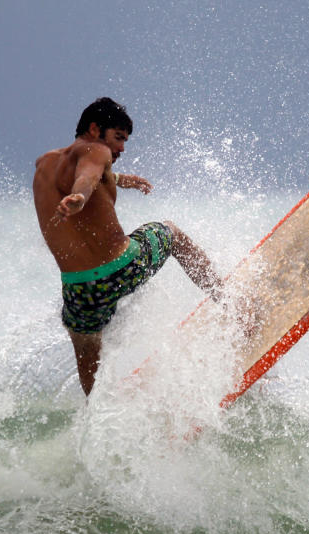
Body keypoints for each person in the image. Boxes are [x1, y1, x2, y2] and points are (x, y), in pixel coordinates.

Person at [33, 97, 223, 395]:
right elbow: (87, 176)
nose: (121, 148)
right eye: (118, 138)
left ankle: (96, 416)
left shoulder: (44, 164)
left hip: (81, 291)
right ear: (95, 129)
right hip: (122, 268)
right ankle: (230, 303)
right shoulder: (96, 150)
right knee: (171, 233)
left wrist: (118, 179)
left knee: (87, 355)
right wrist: (80, 197)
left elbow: (87, 172)